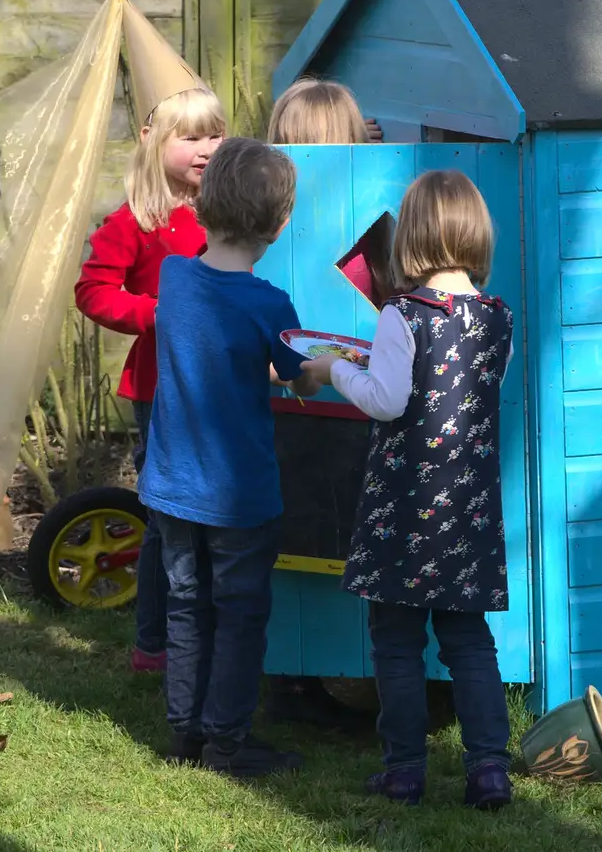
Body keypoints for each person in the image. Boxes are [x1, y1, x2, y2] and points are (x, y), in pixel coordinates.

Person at [301, 170, 516, 810]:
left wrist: (336, 367)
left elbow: (389, 401)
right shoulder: (496, 317)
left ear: (413, 238)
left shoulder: (402, 313)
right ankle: (488, 770)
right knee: (469, 641)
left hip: (405, 510)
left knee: (396, 641)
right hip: (469, 512)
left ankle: (404, 769)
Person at [139, 136, 322, 778]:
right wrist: (321, 366)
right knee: (240, 614)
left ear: (204, 205)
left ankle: (185, 731)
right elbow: (298, 379)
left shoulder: (174, 276)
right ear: (280, 223)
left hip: (170, 485)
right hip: (239, 494)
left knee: (187, 604)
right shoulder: (269, 304)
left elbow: (212, 344)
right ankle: (227, 742)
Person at [74, 87, 225, 674]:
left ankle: (204, 630)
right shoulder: (137, 221)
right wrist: (156, 314)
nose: (206, 148)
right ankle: (156, 646)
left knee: (217, 511)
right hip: (162, 388)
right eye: (189, 137)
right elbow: (93, 291)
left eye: (215, 134)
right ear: (154, 143)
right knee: (168, 515)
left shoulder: (232, 209)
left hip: (227, 385)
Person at [259, 76, 382, 733]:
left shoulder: (266, 225)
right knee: (329, 548)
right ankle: (311, 681)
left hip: (298, 411)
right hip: (340, 411)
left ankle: (294, 681)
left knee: (300, 549)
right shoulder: (362, 235)